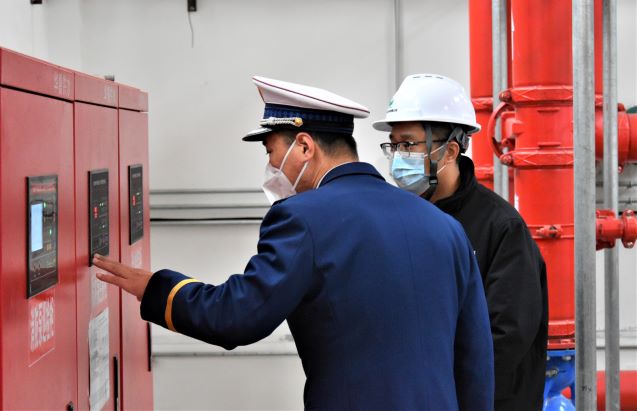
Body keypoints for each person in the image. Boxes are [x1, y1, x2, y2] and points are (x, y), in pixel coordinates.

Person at [93, 76, 494, 410]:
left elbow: (239, 316)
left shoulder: (301, 219)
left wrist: (160, 289)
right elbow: (474, 355)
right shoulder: (444, 226)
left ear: (304, 146)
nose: (270, 168)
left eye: (272, 153)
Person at [373, 73, 548, 411]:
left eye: (408, 144)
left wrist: (443, 389)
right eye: (393, 145)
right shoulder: (397, 219)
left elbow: (506, 335)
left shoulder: (501, 227)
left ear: (450, 150)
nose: (397, 157)